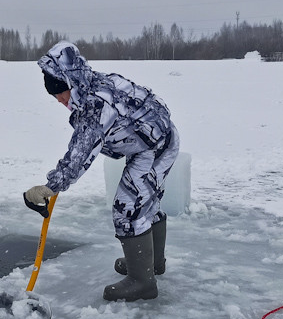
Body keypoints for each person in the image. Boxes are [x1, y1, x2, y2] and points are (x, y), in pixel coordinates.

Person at [23, 41, 180, 302]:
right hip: (154, 139)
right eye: (55, 96)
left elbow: (81, 153)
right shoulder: (93, 83)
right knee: (144, 202)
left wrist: (51, 186)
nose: (60, 100)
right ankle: (152, 264)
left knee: (128, 208)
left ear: (71, 83)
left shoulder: (96, 107)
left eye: (61, 92)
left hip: (154, 146)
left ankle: (143, 282)